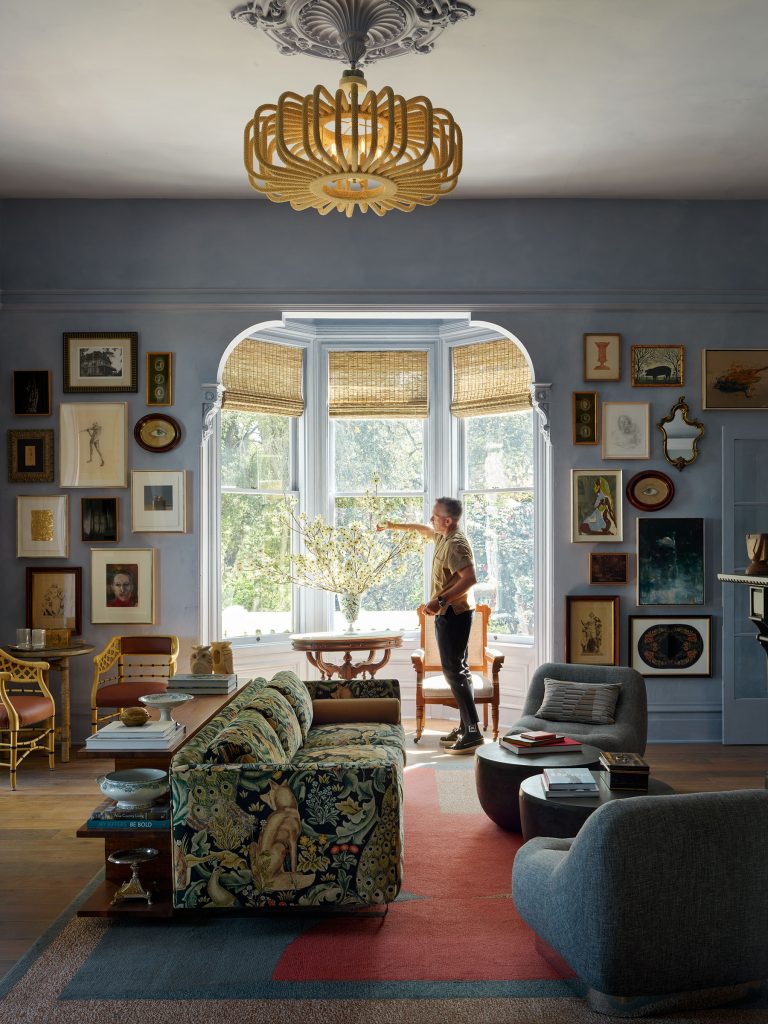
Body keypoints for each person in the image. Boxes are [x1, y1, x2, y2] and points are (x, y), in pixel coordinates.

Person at [378, 497, 481, 754]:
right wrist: (393, 525)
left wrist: (441, 600)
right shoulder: (443, 536)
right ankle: (466, 726)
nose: (430, 520)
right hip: (451, 612)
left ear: (447, 520)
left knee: (453, 670)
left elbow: (470, 579)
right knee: (459, 669)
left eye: (434, 516)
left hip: (454, 613)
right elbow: (422, 530)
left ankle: (472, 732)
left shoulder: (456, 544)